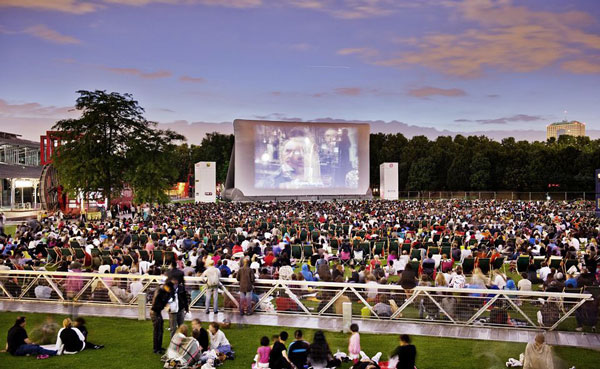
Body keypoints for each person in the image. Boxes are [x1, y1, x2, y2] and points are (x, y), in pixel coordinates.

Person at [151, 280, 173, 354]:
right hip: (155, 312)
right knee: (157, 331)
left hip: (157, 312)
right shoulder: (160, 292)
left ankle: (159, 347)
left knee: (160, 330)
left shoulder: (163, 291)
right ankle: (156, 348)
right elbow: (156, 305)